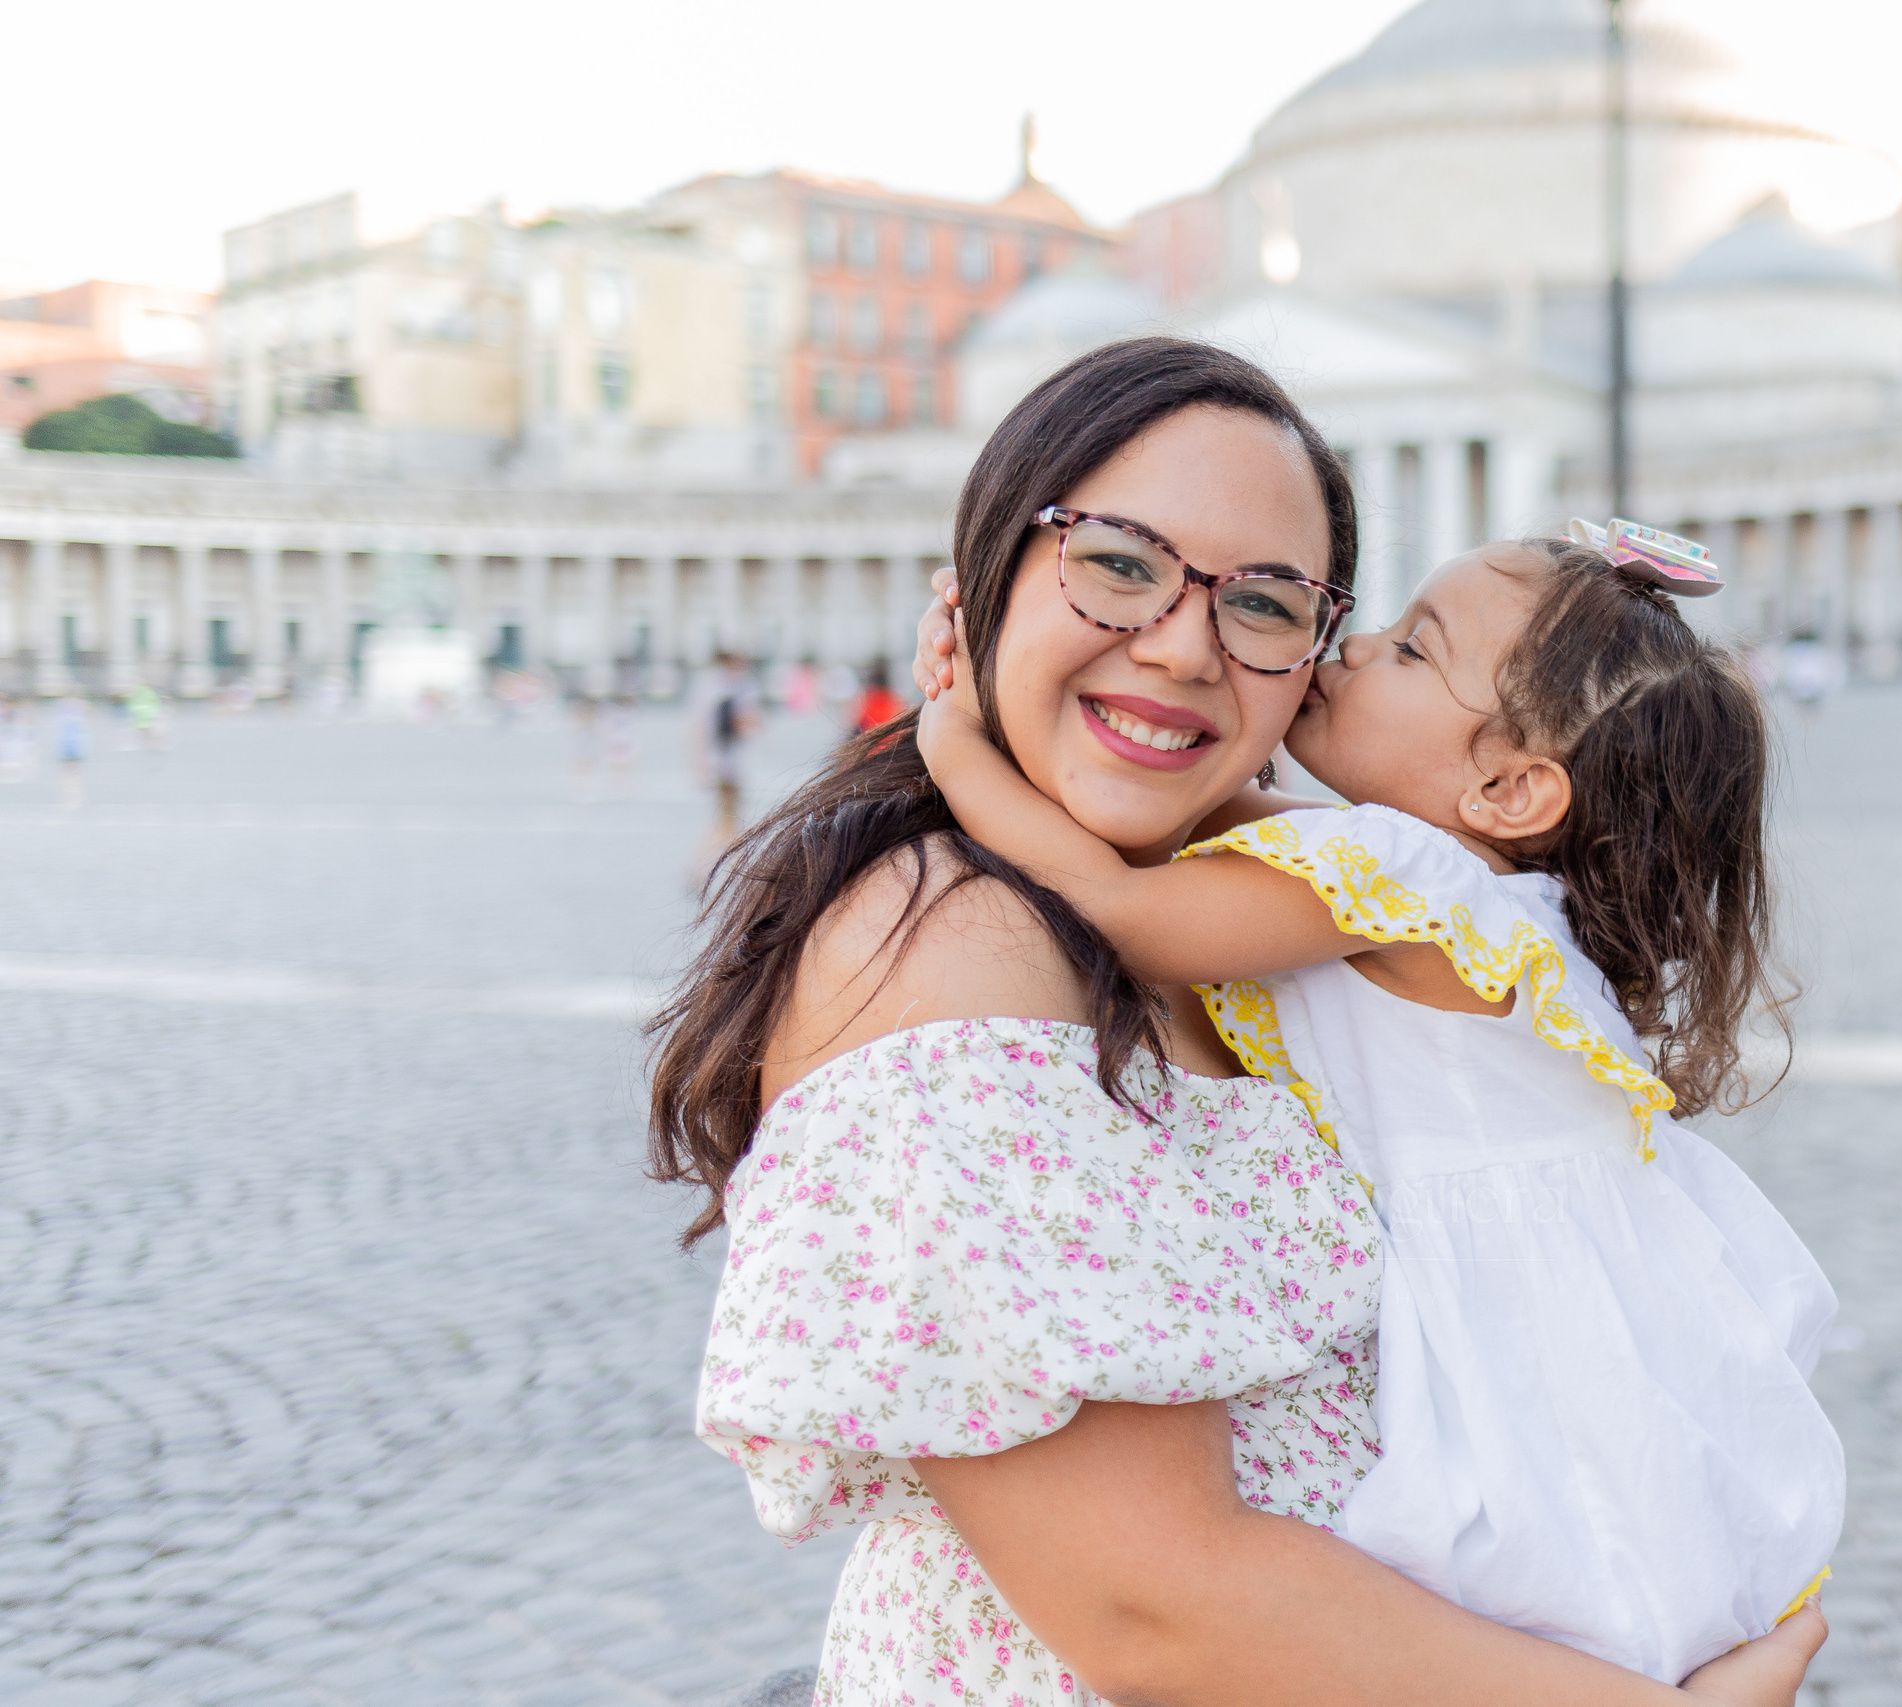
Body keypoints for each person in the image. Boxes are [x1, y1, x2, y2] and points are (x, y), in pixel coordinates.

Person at [650, 338, 1824, 1707]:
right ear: (980, 579)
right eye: (1122, 561)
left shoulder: (1264, 907)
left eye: (1265, 602)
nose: (1183, 644)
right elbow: (1151, 1601)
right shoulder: (964, 944)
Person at [915, 524, 1837, 1683]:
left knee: (1524, 1576)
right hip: (1580, 1303)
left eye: (1410, 650)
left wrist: (955, 739)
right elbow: (1210, 825)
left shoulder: (1410, 877)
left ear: (1507, 788)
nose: (1350, 647)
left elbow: (1124, 901)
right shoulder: (1468, 885)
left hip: (1507, 1311)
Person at [686, 650, 760, 870]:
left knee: (728, 818)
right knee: (728, 817)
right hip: (727, 762)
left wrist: (699, 763)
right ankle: (702, 867)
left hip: (719, 761)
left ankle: (710, 866)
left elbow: (697, 729)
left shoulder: (709, 687)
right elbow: (742, 721)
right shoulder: (732, 690)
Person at [52, 694, 89, 807]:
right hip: (68, 746)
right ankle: (70, 796)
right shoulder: (69, 716)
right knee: (69, 773)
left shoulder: (75, 715)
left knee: (73, 773)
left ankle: (74, 796)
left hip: (74, 746)